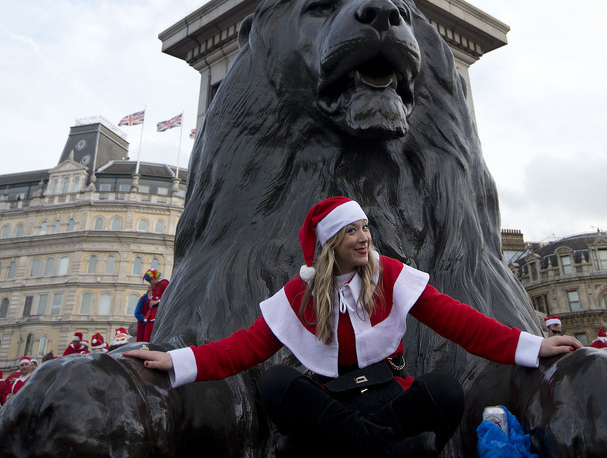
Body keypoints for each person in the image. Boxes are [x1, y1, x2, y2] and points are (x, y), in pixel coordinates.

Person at [126, 196, 581, 458]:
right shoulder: (298, 295)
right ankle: (390, 453)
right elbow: (243, 348)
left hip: (385, 400)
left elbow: (462, 322)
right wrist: (174, 360)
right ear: (330, 244)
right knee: (277, 384)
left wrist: (533, 346)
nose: (365, 237)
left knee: (444, 390)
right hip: (331, 404)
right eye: (352, 232)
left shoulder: (393, 277)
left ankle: (360, 449)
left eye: (365, 228)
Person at [140, 268, 170, 343]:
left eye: (150, 281)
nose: (150, 283)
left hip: (158, 315)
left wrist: (157, 302)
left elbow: (169, 296)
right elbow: (151, 300)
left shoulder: (164, 283)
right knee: (147, 337)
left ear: (153, 278)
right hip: (151, 316)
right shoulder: (154, 287)